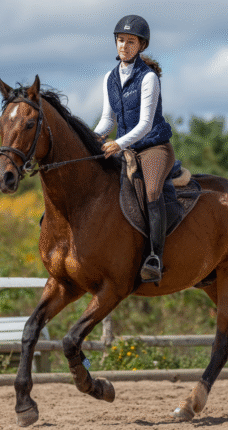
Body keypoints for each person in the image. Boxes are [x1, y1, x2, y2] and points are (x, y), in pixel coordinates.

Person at [94, 15, 175, 283]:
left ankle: (155, 257)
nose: (124, 46)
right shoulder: (110, 78)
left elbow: (145, 124)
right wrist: (92, 138)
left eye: (130, 42)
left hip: (154, 147)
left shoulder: (148, 78)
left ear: (141, 46)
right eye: (120, 40)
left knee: (151, 191)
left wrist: (118, 143)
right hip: (126, 149)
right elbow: (108, 120)